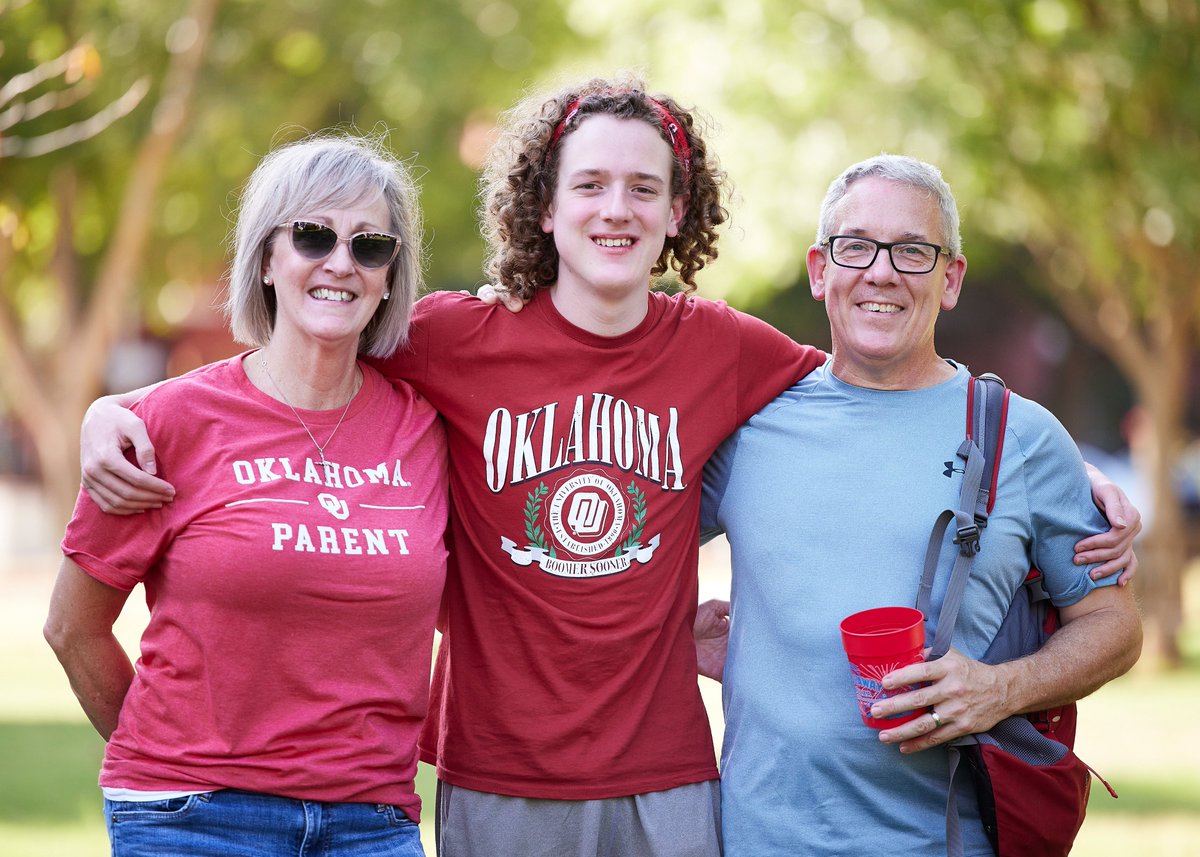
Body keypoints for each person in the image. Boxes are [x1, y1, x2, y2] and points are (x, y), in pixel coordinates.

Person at [75, 82, 1139, 856]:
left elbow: (879, 373)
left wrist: (1060, 473)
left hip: (670, 780)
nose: (615, 208)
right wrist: (114, 409)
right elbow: (290, 354)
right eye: (589, 183)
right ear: (544, 204)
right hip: (495, 779)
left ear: (680, 212)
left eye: (645, 187)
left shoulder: (729, 348)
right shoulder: (445, 339)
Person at [700, 154, 1144, 856]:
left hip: (945, 841)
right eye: (857, 246)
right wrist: (672, 632)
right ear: (821, 270)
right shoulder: (748, 426)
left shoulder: (1017, 436)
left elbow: (1115, 624)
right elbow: (625, 540)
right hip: (757, 838)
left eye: (913, 250)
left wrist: (1002, 688)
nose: (881, 272)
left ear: (951, 278)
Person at [44, 132, 448, 857]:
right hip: (193, 821)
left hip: (372, 822)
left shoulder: (427, 427)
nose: (340, 262)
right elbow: (73, 627)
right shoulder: (165, 424)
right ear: (266, 258)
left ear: (391, 275)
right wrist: (165, 755)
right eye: (313, 234)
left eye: (369, 246)